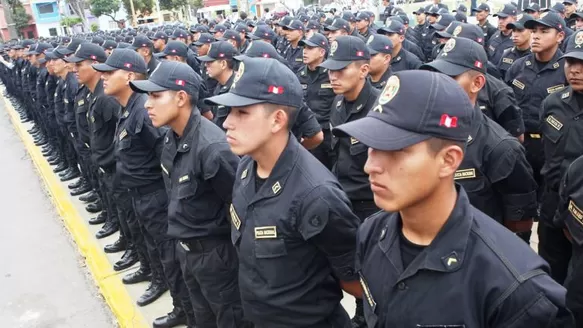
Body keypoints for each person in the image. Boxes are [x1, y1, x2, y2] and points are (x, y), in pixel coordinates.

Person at [333, 69, 574, 327]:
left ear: (448, 161)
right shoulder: (372, 234)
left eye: (394, 150)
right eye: (372, 147)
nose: (371, 166)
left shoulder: (515, 288)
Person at [205, 56, 362, 327]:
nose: (227, 123)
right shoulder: (246, 166)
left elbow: (353, 280)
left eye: (242, 112)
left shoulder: (317, 194)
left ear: (277, 120)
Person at [131, 60, 248, 328]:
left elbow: (242, 208)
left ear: (181, 97)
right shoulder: (171, 137)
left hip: (218, 259)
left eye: (156, 95)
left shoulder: (213, 148)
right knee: (201, 318)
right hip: (187, 251)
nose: (147, 104)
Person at [93, 49, 196, 326]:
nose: (102, 76)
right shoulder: (130, 108)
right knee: (156, 248)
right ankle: (163, 285)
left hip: (156, 198)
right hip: (139, 195)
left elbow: (167, 159)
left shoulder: (144, 111)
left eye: (109, 72)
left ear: (128, 76)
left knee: (170, 255)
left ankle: (183, 309)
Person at [422, 37, 538, 242]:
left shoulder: (501, 148)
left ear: (477, 83)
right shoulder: (421, 132)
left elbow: (518, 222)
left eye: (450, 77)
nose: (440, 83)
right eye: (436, 75)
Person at [505, 13, 570, 284]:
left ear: (560, 36)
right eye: (533, 30)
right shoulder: (518, 67)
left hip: (551, 150)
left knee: (550, 218)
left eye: (544, 31)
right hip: (520, 149)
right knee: (517, 211)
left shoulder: (567, 69)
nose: (535, 36)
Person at [297, 33, 336, 169]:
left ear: (321, 52)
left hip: (328, 137)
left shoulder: (332, 74)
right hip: (309, 135)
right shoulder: (300, 75)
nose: (304, 52)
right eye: (304, 48)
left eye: (309, 48)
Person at [198, 40, 239, 129]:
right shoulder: (220, 85)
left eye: (210, 62)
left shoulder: (236, 89)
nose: (206, 65)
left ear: (223, 64)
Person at [498, 14, 533, 78]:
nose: (515, 35)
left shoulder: (536, 56)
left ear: (531, 31)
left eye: (520, 30)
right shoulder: (507, 54)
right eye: (513, 30)